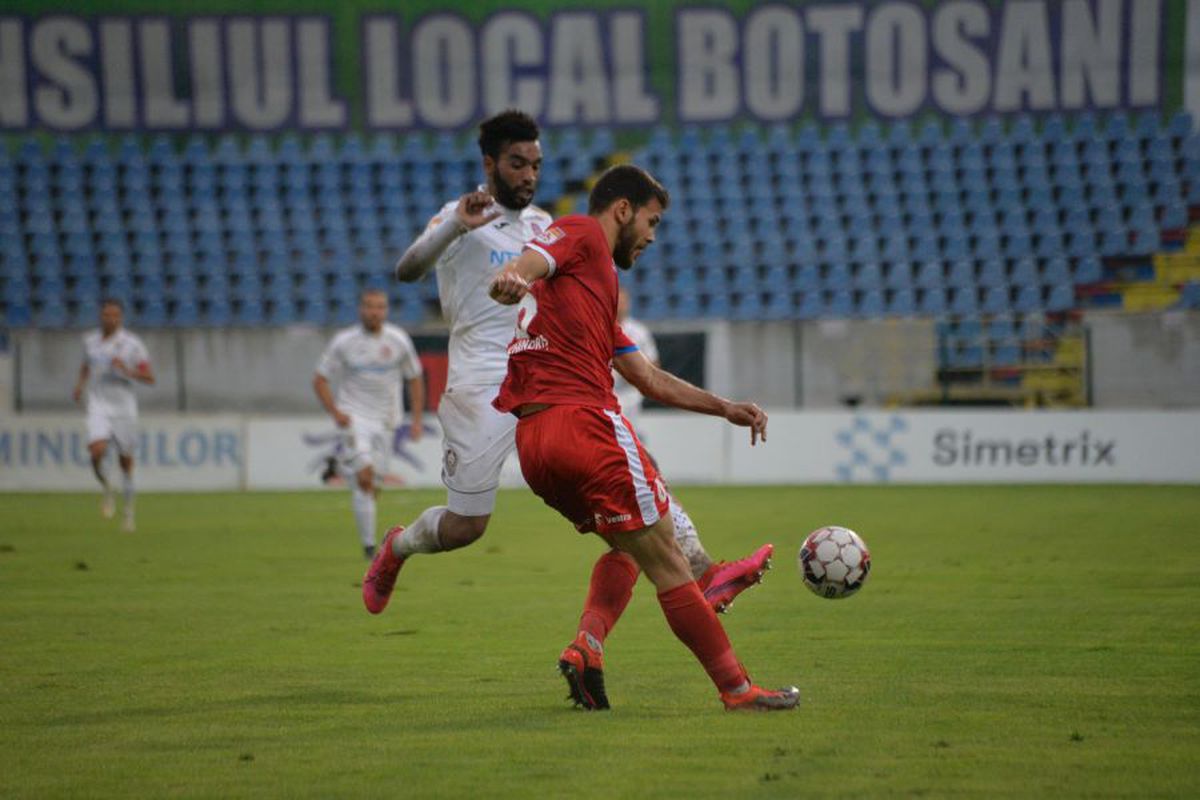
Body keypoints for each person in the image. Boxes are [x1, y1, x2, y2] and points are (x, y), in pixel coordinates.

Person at [364, 110, 772, 616]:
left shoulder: (548, 226)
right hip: (482, 385)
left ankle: (680, 588)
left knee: (631, 495)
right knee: (467, 526)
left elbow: (580, 305)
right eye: (517, 164)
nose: (530, 175)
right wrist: (454, 226)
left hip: (549, 378)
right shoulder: (459, 217)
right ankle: (397, 547)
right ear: (490, 163)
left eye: (536, 164)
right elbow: (408, 271)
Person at [313, 289, 425, 558]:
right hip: (355, 419)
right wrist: (335, 412)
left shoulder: (398, 340)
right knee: (364, 479)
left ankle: (339, 465)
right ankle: (368, 547)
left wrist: (417, 419)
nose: (374, 312)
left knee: (374, 486)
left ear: (386, 311)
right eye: (369, 306)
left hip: (387, 420)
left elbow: (415, 378)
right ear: (361, 309)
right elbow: (319, 379)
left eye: (380, 307)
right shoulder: (344, 342)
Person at [72, 298, 155, 532]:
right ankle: (107, 486)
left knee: (126, 462)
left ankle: (128, 513)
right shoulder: (90, 342)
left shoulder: (132, 345)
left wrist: (126, 371)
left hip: (124, 408)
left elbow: (150, 377)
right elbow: (86, 365)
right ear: (101, 316)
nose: (111, 319)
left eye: (115, 315)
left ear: (121, 317)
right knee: (96, 450)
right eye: (107, 315)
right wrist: (80, 385)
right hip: (98, 404)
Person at [613, 287, 657, 435]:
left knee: (629, 434)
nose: (620, 305)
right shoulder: (598, 328)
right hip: (603, 392)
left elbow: (654, 364)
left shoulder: (639, 331)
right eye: (617, 301)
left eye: (623, 302)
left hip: (630, 394)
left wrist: (636, 373)